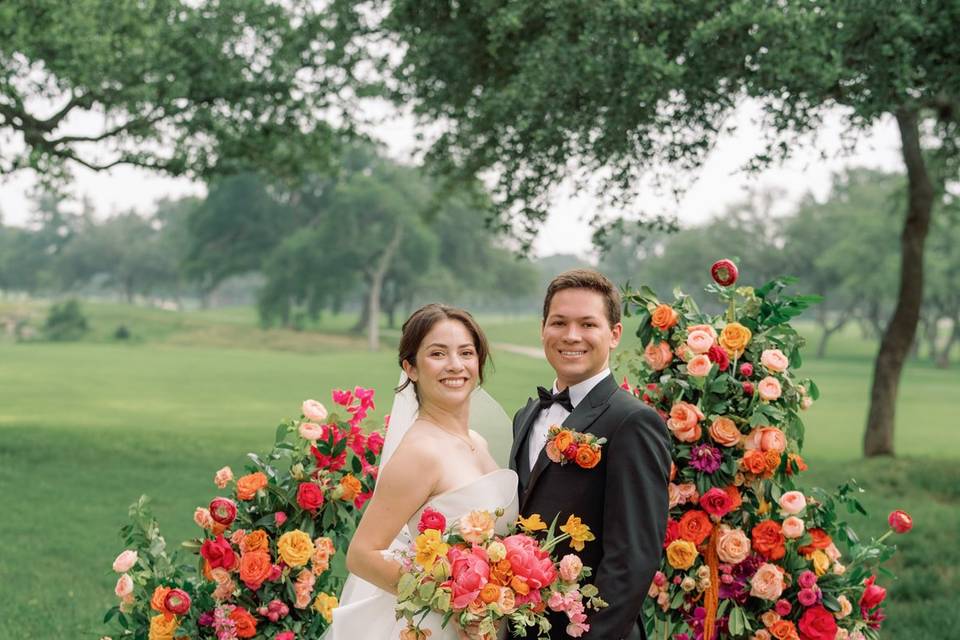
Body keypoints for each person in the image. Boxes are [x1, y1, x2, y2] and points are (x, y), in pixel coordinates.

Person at [324, 303, 518, 640]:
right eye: (438, 354)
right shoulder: (420, 452)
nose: (455, 365)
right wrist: (453, 604)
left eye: (466, 352)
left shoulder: (477, 441)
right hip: (439, 625)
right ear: (410, 367)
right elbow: (361, 555)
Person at [509, 269, 672, 640]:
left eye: (588, 324)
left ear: (614, 334)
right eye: (559, 322)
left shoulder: (633, 421)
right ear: (543, 329)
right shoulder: (526, 415)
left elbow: (633, 559)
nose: (571, 336)